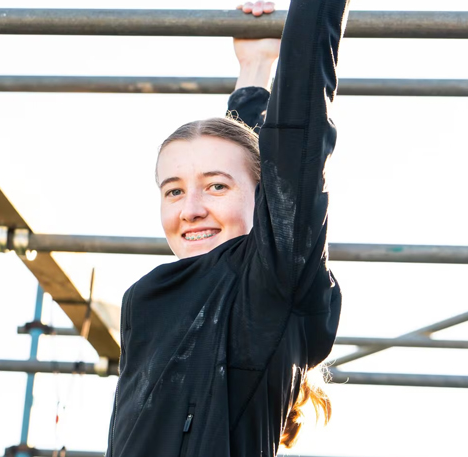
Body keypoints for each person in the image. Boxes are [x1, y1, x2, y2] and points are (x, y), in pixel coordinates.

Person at [105, 0, 349, 455]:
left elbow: (296, 135)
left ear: (266, 196)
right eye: (174, 191)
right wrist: (255, 66)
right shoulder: (147, 298)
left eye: (215, 187)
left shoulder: (271, 284)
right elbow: (244, 160)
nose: (190, 209)